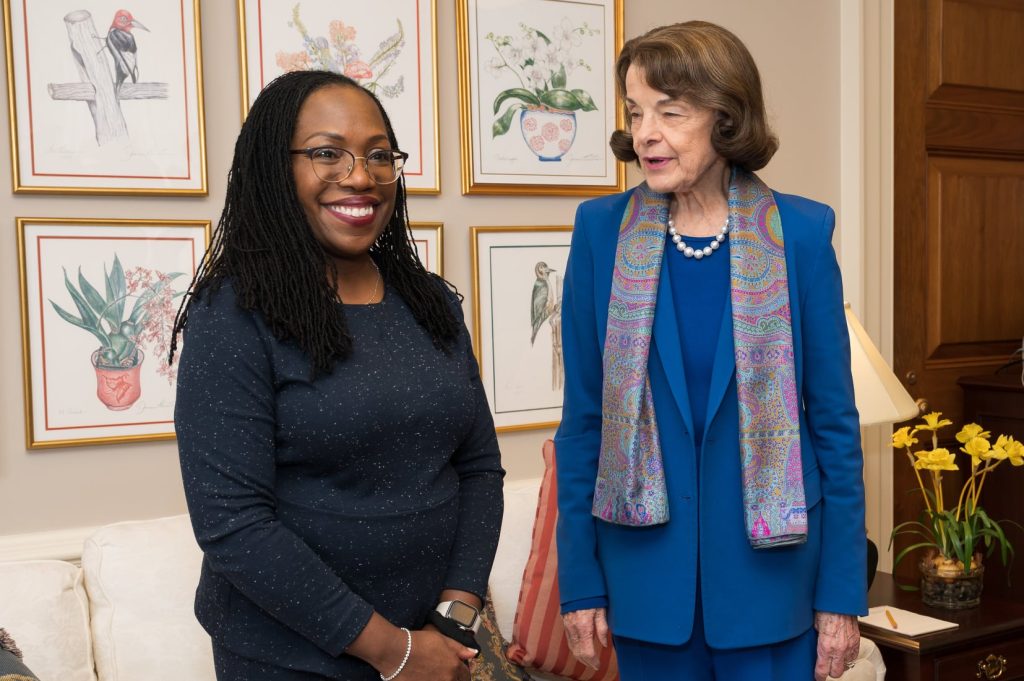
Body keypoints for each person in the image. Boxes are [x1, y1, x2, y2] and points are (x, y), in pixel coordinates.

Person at [555, 21, 866, 681]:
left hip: (772, 587)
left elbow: (834, 428)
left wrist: (840, 596)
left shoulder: (803, 235)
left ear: (724, 117)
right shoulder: (600, 233)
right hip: (645, 588)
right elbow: (584, 421)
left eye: (670, 112)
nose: (645, 133)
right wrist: (581, 582)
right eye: (636, 112)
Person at [171, 70, 504, 681]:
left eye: (380, 155)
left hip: (435, 645)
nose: (360, 176)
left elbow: (479, 467)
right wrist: (391, 651)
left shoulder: (430, 302)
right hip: (288, 658)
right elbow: (233, 525)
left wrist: (455, 614)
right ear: (276, 168)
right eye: (327, 153)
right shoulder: (232, 314)